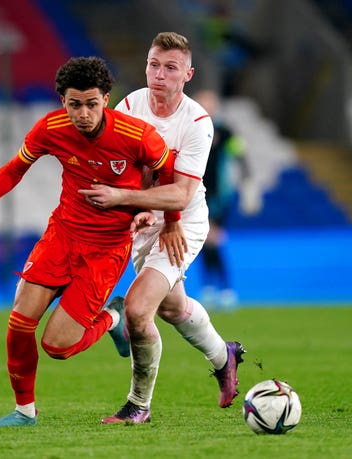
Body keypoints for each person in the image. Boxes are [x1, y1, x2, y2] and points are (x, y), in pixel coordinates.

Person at [0, 56, 184, 427]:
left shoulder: (137, 136)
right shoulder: (50, 128)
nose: (83, 114)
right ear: (62, 102)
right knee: (19, 322)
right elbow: (14, 169)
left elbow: (169, 174)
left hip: (106, 248)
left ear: (106, 98)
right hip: (62, 236)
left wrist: (165, 220)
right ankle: (24, 412)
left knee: (57, 346)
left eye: (91, 104)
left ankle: (114, 317)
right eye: (74, 105)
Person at [78, 32, 246, 425]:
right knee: (171, 307)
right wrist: (135, 205)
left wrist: (155, 214)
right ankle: (225, 356)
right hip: (146, 217)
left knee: (138, 309)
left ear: (187, 74)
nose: (159, 74)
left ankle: (139, 405)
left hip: (183, 221)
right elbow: (122, 170)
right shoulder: (131, 105)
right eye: (154, 64)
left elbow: (183, 193)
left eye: (170, 68)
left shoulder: (197, 123)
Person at [192, 89, 259, 308]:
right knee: (203, 241)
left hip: (219, 194)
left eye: (209, 102)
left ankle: (223, 288)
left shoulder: (225, 131)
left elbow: (241, 156)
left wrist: (248, 184)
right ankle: (214, 288)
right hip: (195, 193)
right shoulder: (191, 129)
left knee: (212, 238)